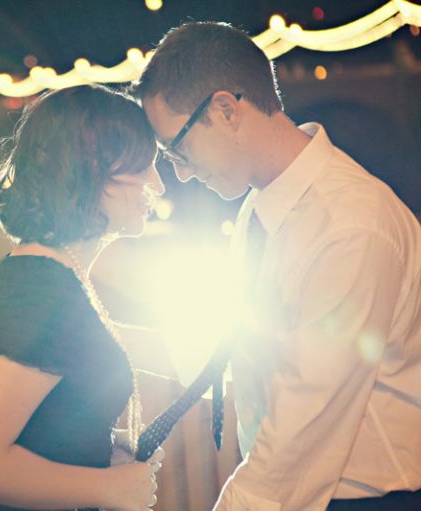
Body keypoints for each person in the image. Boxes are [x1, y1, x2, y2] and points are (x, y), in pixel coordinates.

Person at [132, 21, 421, 511]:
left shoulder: (349, 226)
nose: (179, 174)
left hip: (367, 499)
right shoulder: (261, 205)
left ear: (225, 110)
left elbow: (304, 426)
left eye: (177, 150)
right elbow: (250, 351)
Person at [0, 84, 167, 511]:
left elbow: (46, 421)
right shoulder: (40, 291)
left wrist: (96, 450)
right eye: (144, 166)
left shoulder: (52, 275)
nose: (157, 184)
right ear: (91, 171)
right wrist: (108, 488)